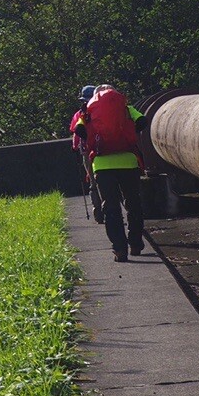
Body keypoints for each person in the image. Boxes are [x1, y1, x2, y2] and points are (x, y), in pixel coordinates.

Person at [74, 84, 146, 262]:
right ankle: (135, 243)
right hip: (128, 161)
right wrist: (126, 134)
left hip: (102, 165)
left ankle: (120, 250)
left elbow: (79, 130)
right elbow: (142, 122)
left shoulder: (87, 111)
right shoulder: (126, 108)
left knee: (111, 208)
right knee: (133, 203)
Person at [70, 85, 104, 224]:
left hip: (86, 151)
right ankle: (109, 209)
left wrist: (75, 147)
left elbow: (75, 134)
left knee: (93, 182)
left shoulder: (79, 114)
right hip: (102, 149)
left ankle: (98, 212)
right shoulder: (102, 111)